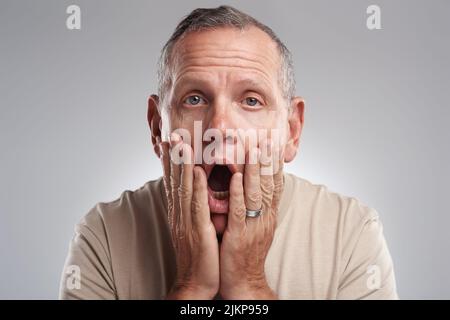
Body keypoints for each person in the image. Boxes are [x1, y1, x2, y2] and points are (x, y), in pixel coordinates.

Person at [59, 5, 398, 300]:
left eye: (251, 100)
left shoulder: (352, 232)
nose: (219, 128)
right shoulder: (102, 234)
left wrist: (250, 286)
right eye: (194, 99)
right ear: (156, 127)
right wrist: (190, 286)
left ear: (292, 131)